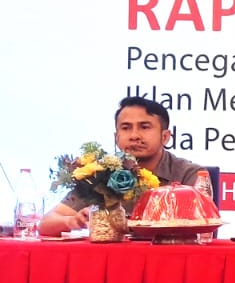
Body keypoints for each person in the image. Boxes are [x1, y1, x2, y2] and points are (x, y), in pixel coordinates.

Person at [38, 96, 202, 236]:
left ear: (165, 137)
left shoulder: (188, 174)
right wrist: (73, 221)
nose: (134, 136)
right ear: (116, 137)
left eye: (144, 127)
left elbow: (199, 225)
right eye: (126, 128)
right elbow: (46, 224)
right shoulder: (99, 173)